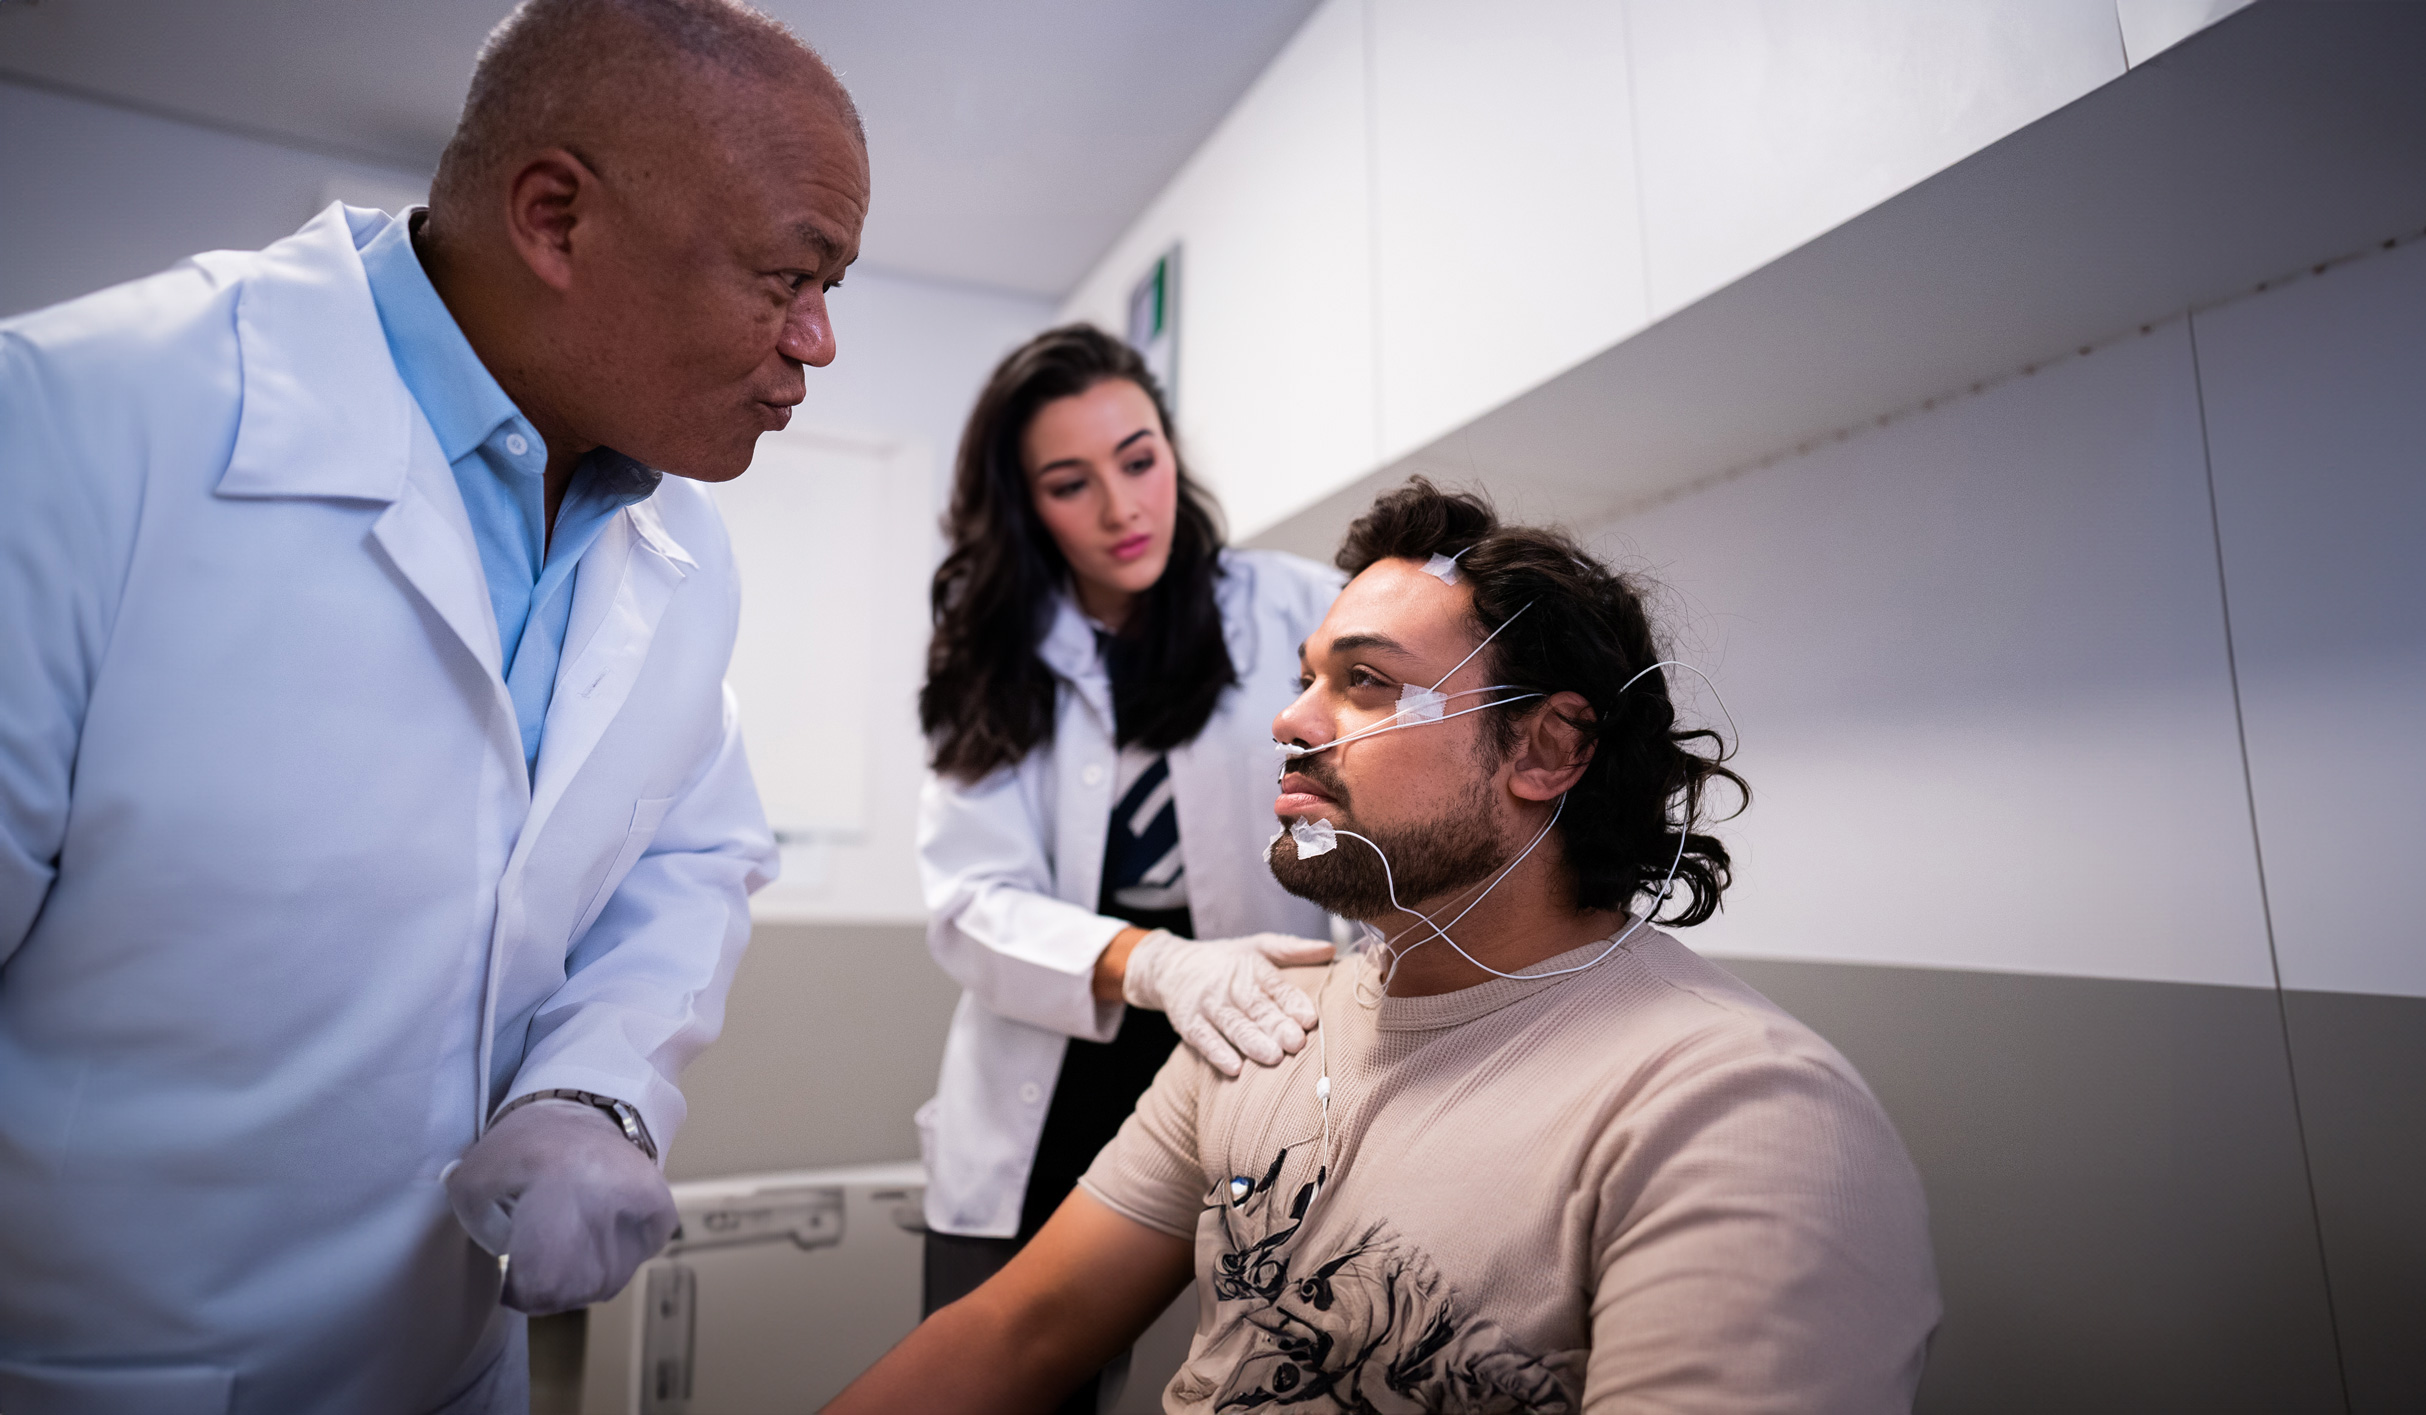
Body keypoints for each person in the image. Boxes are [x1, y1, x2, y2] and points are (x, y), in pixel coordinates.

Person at [0, 2, 868, 1410]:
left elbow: (685, 858)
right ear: (553, 217)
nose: (817, 341)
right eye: (787, 276)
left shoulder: (678, 543)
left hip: (455, 1360)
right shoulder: (77, 424)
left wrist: (594, 1087)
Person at [832, 478, 1941, 1414]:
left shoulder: (1734, 1114)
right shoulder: (1268, 1020)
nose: (1292, 720)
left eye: (1364, 682)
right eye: (1306, 676)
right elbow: (1023, 1328)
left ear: (1546, 748)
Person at [914, 324, 1344, 1409]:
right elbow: (970, 899)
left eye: (1138, 459)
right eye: (1070, 483)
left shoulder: (1294, 609)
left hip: (1254, 1039)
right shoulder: (991, 648)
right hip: (1057, 1063)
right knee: (996, 1369)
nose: (1120, 508)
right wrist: (1155, 965)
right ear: (1023, 504)